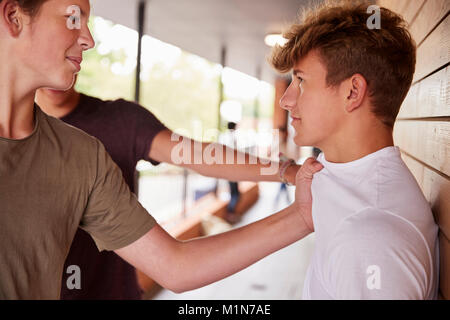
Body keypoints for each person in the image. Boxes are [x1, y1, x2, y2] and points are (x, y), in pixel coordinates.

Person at [0, 0, 322, 299]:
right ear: (13, 17)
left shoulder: (90, 149)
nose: (88, 39)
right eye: (72, 18)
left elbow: (196, 158)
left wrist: (287, 176)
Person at [35, 83, 300, 299]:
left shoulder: (120, 121)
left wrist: (285, 171)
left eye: (80, 19)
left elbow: (198, 155)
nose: (81, 38)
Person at [271, 2, 439, 299]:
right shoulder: (336, 175)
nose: (286, 100)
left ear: (352, 92)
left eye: (300, 80)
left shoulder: (372, 238)